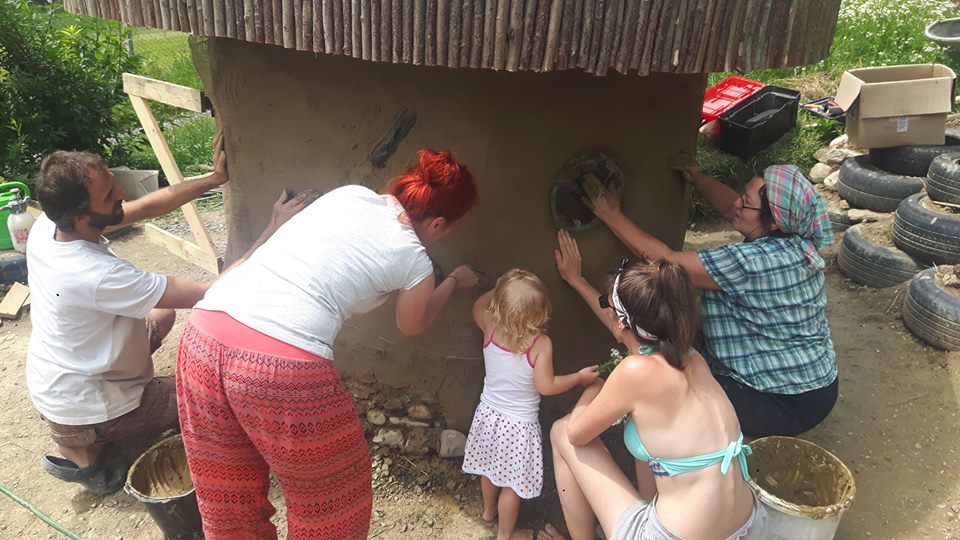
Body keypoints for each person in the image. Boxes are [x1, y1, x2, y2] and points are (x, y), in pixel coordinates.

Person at [176, 148, 480, 540]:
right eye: (450, 227)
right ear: (438, 223)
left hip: (203, 334)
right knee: (334, 506)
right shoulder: (414, 259)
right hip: (278, 368)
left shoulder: (350, 195)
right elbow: (413, 324)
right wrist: (452, 281)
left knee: (230, 501)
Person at [26, 132, 311, 495]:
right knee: (213, 397)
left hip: (62, 374)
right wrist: (274, 227)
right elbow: (212, 291)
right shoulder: (95, 275)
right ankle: (89, 451)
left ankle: (88, 435)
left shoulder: (50, 226)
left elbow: (145, 208)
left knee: (162, 312)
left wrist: (214, 179)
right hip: (84, 401)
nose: (122, 194)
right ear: (82, 217)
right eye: (110, 194)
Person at [579, 158, 837, 439]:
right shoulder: (796, 238)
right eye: (742, 194)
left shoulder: (752, 263)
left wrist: (611, 214)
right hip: (816, 384)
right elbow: (732, 207)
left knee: (671, 387)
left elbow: (666, 261)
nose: (737, 203)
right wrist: (699, 180)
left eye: (745, 202)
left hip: (780, 400)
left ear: (774, 221)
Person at [539, 233, 767, 540]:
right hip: (747, 526)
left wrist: (591, 389)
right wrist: (577, 280)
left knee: (561, 431)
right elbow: (627, 328)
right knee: (645, 433)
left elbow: (577, 434)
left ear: (622, 323)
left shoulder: (635, 371)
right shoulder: (690, 356)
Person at [463, 269, 598, 540]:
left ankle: (488, 512)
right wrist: (579, 377)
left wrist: (499, 285)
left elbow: (477, 306)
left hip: (488, 417)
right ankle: (505, 534)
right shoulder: (540, 344)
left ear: (499, 305)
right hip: (519, 427)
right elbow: (546, 386)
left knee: (488, 472)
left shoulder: (490, 324)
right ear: (539, 315)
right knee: (511, 485)